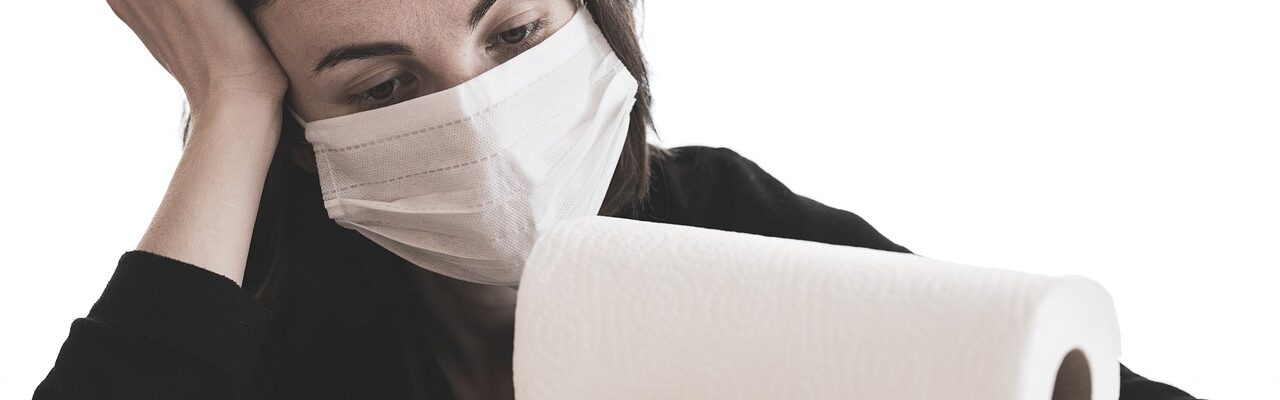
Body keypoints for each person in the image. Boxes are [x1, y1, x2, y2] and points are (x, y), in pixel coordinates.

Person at [36, 0, 1198, 399]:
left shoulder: (723, 228)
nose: (477, 117)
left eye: (517, 33)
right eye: (384, 85)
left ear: (595, 25)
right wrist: (230, 104)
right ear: (301, 138)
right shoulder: (259, 336)